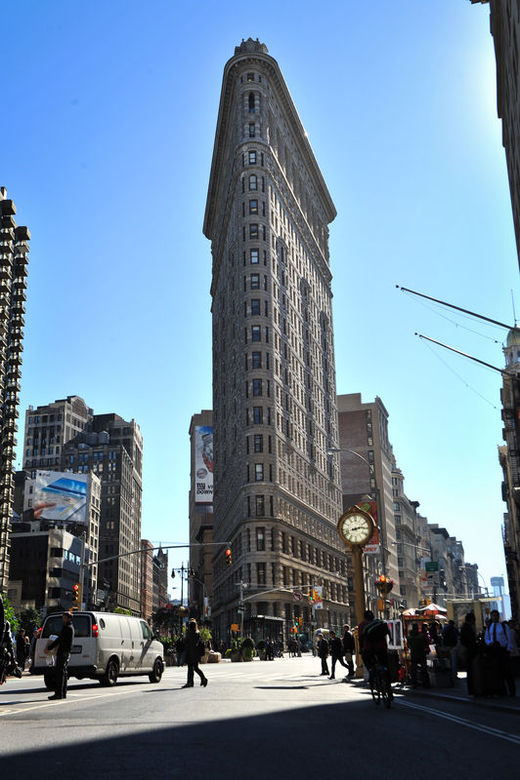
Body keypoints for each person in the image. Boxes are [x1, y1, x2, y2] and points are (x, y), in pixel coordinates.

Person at [359, 610, 392, 697]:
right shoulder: (379, 622)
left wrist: (361, 649)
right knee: (385, 665)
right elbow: (388, 631)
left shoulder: (362, 624)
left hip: (369, 648)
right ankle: (389, 687)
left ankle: (372, 674)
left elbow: (360, 638)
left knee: (367, 661)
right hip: (382, 647)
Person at [484, 610, 515, 697]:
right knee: (497, 672)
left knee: (507, 671)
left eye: (496, 616)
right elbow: (486, 637)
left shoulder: (504, 626)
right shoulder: (489, 627)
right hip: (494, 650)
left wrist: (509, 648)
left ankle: (512, 691)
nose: (494, 617)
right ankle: (502, 691)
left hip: (503, 650)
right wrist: (489, 643)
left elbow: (509, 638)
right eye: (493, 616)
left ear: (498, 616)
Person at [44, 612, 74, 700]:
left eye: (64, 618)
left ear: (69, 619)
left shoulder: (67, 628)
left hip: (63, 652)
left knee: (60, 673)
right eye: (63, 617)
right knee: (63, 673)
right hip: (66, 651)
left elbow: (59, 639)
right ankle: (63, 693)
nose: (63, 619)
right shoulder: (70, 627)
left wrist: (49, 648)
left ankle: (58, 693)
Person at [182, 619, 208, 688]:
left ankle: (190, 682)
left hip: (190, 653)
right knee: (195, 668)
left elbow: (185, 642)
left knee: (190, 668)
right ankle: (203, 679)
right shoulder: (197, 633)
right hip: (196, 653)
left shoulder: (189, 633)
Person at [407, 623, 430, 689]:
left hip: (413, 654)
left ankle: (414, 683)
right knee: (424, 669)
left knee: (413, 669)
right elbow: (426, 644)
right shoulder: (421, 636)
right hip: (421, 654)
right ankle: (425, 683)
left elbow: (409, 646)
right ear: (417, 628)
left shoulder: (409, 637)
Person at [460, 612, 477, 695]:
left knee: (469, 671)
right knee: (471, 671)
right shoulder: (468, 628)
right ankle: (472, 689)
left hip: (467, 652)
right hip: (469, 652)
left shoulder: (464, 627)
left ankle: (471, 689)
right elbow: (470, 641)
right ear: (472, 620)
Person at [442, 619, 459, 685]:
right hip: (453, 646)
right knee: (454, 662)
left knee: (448, 661)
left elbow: (442, 634)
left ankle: (449, 674)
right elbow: (458, 635)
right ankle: (454, 675)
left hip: (446, 647)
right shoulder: (454, 629)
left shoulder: (445, 628)